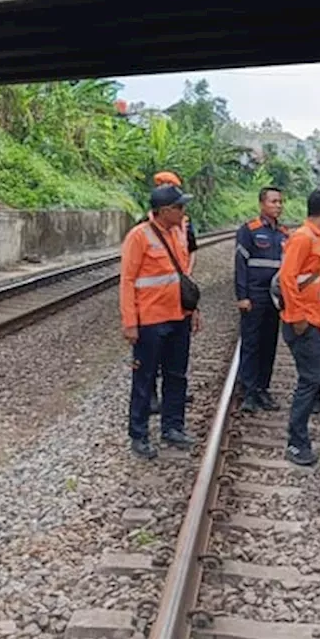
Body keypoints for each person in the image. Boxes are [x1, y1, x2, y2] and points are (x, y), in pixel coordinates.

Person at [120, 183, 201, 460]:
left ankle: (173, 427)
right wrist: (130, 322)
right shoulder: (139, 236)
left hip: (178, 317)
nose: (183, 211)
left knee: (177, 376)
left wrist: (193, 311)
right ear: (165, 210)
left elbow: (182, 277)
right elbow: (128, 281)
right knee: (144, 379)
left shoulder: (179, 233)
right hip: (150, 322)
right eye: (179, 207)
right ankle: (139, 434)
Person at [276, 187, 320, 466]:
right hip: (304, 322)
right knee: (310, 378)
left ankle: (310, 405)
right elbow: (288, 278)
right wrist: (297, 316)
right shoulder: (302, 238)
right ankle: (296, 441)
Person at [235, 186, 288, 413]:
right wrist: (242, 296)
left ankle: (262, 389)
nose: (277, 206)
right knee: (251, 344)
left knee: (269, 344)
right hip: (254, 297)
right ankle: (248, 392)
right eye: (273, 201)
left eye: (280, 202)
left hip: (274, 299)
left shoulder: (284, 234)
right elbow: (240, 265)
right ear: (262, 204)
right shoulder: (249, 230)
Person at [150, 171, 197, 413]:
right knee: (153, 360)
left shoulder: (184, 223)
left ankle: (173, 412)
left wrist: (187, 278)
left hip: (179, 300)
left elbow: (191, 249)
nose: (166, 187)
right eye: (162, 185)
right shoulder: (145, 227)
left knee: (175, 364)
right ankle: (152, 398)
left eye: (170, 184)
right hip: (155, 307)